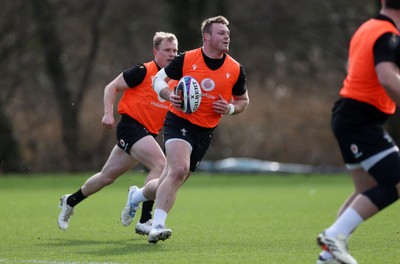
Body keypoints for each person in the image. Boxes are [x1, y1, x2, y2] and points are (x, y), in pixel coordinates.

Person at [120, 15, 249, 244]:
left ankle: (137, 195)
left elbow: (243, 100)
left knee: (170, 180)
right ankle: (156, 226)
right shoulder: (187, 59)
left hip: (205, 131)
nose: (227, 36)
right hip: (179, 121)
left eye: (227, 33)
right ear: (206, 37)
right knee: (178, 169)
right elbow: (158, 80)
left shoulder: (235, 69)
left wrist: (229, 108)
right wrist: (170, 95)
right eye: (221, 33)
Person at [57, 32, 178, 236]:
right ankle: (145, 219)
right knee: (161, 165)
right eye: (167, 50)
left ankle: (70, 201)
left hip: (146, 134)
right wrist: (107, 113)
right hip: (131, 128)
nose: (172, 54)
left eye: (175, 50)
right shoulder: (142, 71)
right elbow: (111, 87)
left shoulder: (175, 79)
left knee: (106, 177)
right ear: (155, 51)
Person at [316, 1, 400, 263]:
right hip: (359, 120)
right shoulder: (389, 35)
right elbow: (386, 77)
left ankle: (328, 256)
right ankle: (335, 235)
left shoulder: (367, 27)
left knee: (367, 187)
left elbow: (355, 69)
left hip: (350, 115)